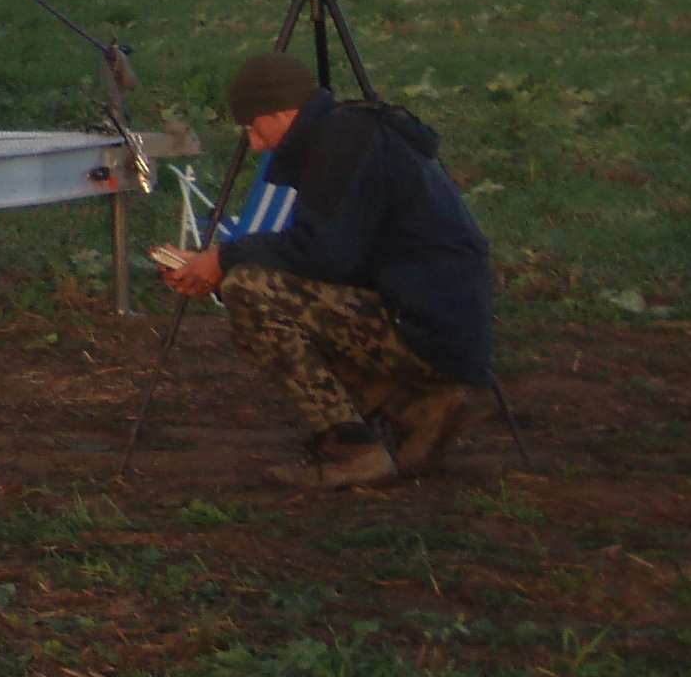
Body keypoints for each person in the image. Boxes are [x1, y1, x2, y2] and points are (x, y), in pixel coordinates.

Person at [160, 52, 497, 490]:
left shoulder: (343, 142)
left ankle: (352, 449)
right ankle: (421, 409)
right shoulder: (349, 133)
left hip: (428, 324)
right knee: (261, 282)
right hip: (444, 321)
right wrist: (218, 264)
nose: (255, 143)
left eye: (252, 126)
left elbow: (325, 254)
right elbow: (332, 257)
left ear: (282, 111)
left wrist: (225, 260)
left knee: (251, 288)